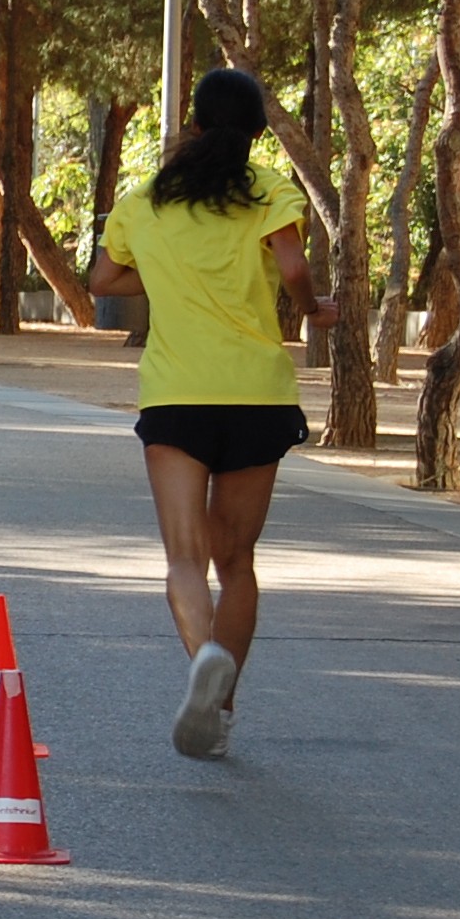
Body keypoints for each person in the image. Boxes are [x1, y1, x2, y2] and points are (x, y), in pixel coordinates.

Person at [87, 67, 330, 761]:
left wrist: (169, 277)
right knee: (237, 560)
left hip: (177, 395)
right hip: (257, 395)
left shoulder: (146, 199)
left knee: (185, 557)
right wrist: (313, 310)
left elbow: (103, 280)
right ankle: (220, 710)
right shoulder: (270, 191)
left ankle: (203, 658)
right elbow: (292, 269)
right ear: (256, 132)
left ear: (193, 125)